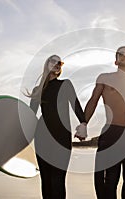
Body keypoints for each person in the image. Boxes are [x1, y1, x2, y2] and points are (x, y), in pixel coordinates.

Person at [82, 46, 125, 199]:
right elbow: (93, 101)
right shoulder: (105, 78)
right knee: (108, 182)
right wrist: (84, 123)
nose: (124, 55)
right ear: (116, 60)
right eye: (120, 54)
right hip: (112, 132)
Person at [25, 55, 87, 199]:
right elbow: (30, 115)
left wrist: (83, 123)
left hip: (62, 135)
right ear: (46, 65)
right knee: (46, 180)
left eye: (60, 62)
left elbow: (76, 105)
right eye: (53, 61)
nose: (57, 64)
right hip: (42, 135)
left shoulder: (65, 84)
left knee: (58, 180)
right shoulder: (37, 90)